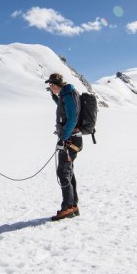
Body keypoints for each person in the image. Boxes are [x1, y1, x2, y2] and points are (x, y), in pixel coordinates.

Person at [46, 73, 82, 221]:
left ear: (55, 84)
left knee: (63, 173)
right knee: (68, 172)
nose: (50, 88)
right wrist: (55, 98)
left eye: (51, 86)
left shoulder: (67, 95)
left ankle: (67, 208)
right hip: (71, 139)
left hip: (70, 140)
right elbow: (65, 109)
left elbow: (72, 118)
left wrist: (63, 138)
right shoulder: (66, 94)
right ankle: (73, 206)